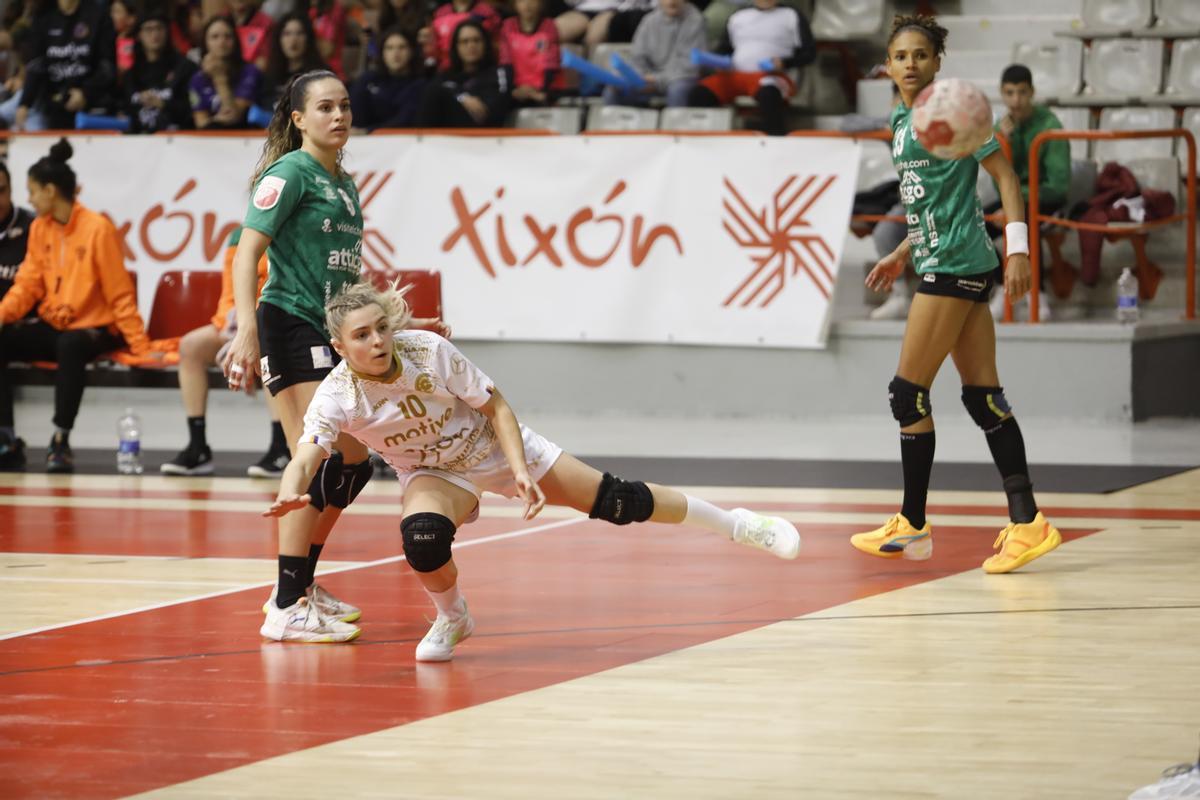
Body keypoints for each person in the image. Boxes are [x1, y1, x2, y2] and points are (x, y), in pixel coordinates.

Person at [265, 280, 802, 654]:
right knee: (422, 539)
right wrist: (294, 492)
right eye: (362, 336)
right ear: (339, 346)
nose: (377, 340)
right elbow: (307, 457)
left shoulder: (427, 350)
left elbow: (495, 406)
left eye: (380, 327)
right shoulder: (337, 394)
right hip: (435, 473)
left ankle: (738, 524)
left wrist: (520, 470)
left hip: (497, 447)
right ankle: (453, 618)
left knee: (620, 502)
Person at [848, 14, 1062, 575]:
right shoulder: (899, 119)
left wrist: (1018, 248)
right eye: (901, 56)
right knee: (982, 397)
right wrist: (901, 254)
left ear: (938, 61)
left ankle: (914, 525)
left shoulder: (956, 109)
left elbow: (1007, 179)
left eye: (922, 54)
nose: (911, 64)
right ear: (887, 66)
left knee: (906, 394)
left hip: (956, 265)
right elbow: (928, 205)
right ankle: (1028, 523)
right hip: (942, 259)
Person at [221, 69, 374, 642]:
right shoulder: (288, 174)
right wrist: (244, 330)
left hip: (329, 331)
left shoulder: (344, 183)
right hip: (287, 324)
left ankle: (300, 580)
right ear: (298, 119)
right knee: (316, 457)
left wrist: (391, 321)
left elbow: (346, 274)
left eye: (345, 106)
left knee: (356, 464)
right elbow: (245, 253)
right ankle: (287, 604)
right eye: (326, 108)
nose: (339, 116)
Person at [0, 140, 157, 473]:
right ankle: (5, 437)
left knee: (72, 344)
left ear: (50, 191)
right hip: (56, 324)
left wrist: (140, 347)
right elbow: (27, 285)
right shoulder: (40, 228)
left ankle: (60, 439)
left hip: (95, 329)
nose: (28, 199)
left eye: (32, 191)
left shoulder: (97, 228)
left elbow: (120, 294)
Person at [161, 227, 291, 478]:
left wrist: (251, 335)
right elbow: (230, 297)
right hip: (240, 323)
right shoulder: (239, 235)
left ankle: (280, 448)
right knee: (191, 346)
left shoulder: (298, 231)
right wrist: (234, 335)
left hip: (279, 324)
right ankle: (197, 447)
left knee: (266, 344)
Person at [986, 63, 1070, 321]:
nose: (1016, 101)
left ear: (1032, 92)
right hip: (1013, 199)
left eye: (1022, 92)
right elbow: (995, 181)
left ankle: (1037, 293)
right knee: (973, 225)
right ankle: (1002, 285)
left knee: (1023, 220)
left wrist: (1015, 201)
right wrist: (1006, 143)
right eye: (1009, 93)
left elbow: (1058, 185)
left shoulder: (1050, 125)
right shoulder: (1001, 129)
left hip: (1046, 199)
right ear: (1001, 93)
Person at [685, 0, 814, 136]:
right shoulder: (738, 16)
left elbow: (809, 54)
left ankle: (775, 141)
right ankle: (705, 140)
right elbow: (724, 49)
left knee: (769, 95)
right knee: (700, 93)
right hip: (735, 74)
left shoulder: (791, 15)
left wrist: (784, 63)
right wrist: (719, 63)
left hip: (771, 76)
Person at [10, 0, 117, 131]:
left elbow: (107, 66)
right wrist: (25, 104)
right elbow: (36, 65)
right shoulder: (44, 18)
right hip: (56, 105)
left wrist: (85, 93)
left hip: (93, 106)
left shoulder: (98, 15)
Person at [601, 0, 704, 108]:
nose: (671, 1)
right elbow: (637, 57)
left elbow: (690, 65)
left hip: (679, 78)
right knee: (613, 90)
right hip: (647, 79)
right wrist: (640, 77)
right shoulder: (649, 20)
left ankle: (675, 124)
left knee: (678, 89)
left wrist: (656, 80)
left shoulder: (696, 20)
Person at [416, 20, 510, 129]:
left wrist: (457, 94)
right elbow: (435, 88)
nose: (471, 45)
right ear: (456, 47)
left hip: (486, 135)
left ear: (486, 44)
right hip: (449, 136)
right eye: (465, 41)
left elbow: (490, 107)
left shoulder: (500, 72)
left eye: (476, 40)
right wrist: (462, 96)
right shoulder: (446, 75)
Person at [121, 11, 199, 133]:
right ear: (139, 35)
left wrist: (163, 104)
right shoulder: (131, 75)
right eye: (148, 29)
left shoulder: (185, 67)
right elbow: (125, 111)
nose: (155, 34)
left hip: (177, 140)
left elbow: (195, 109)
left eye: (159, 28)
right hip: (138, 143)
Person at [189, 15, 263, 129]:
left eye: (227, 36)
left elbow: (234, 116)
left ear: (235, 41)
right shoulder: (198, 78)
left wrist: (219, 78)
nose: (221, 42)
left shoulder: (249, 72)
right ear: (205, 42)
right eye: (215, 37)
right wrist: (216, 121)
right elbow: (200, 122)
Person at [349, 27, 427, 131]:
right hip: (364, 142)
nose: (396, 53)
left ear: (411, 51)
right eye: (389, 48)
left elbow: (405, 121)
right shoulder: (367, 80)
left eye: (402, 47)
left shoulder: (421, 85)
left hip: (403, 141)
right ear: (382, 52)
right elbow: (353, 116)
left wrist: (368, 131)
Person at [257, 12, 329, 111]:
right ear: (279, 39)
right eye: (287, 34)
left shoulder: (321, 75)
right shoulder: (270, 74)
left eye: (300, 33)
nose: (293, 40)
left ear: (308, 39)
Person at [498, 0, 560, 108]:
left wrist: (541, 91)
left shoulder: (549, 26)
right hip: (515, 90)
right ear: (514, 4)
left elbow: (551, 62)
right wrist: (513, 89)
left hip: (543, 90)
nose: (527, 4)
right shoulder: (507, 26)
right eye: (522, 1)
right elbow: (505, 61)